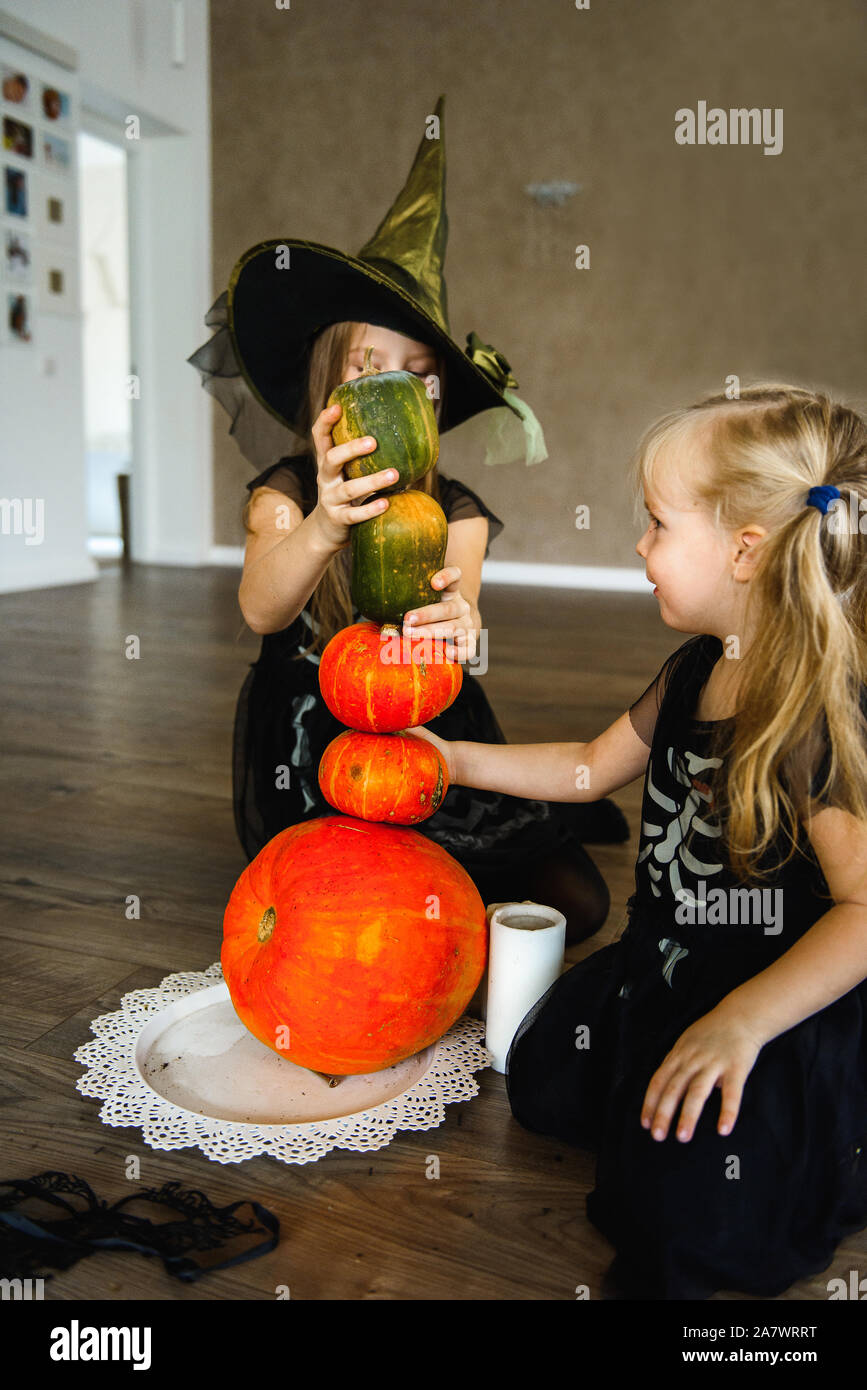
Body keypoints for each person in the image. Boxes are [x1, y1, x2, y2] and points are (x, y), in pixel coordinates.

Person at [408, 382, 867, 1299]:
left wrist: (741, 1023)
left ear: (744, 551)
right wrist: (452, 759)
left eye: (656, 524)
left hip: (776, 1003)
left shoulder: (811, 717)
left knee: (689, 1219)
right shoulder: (693, 669)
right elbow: (586, 767)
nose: (638, 544)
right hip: (667, 961)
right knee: (542, 1078)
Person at [189, 96, 629, 945]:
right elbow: (260, 609)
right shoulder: (284, 490)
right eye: (368, 364)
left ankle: (437, 914)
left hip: (426, 723)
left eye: (417, 375)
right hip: (312, 733)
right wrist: (323, 524)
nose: (392, 388)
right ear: (328, 376)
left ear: (433, 402)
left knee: (575, 903)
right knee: (333, 910)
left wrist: (457, 623)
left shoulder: (453, 511)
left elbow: (458, 616)